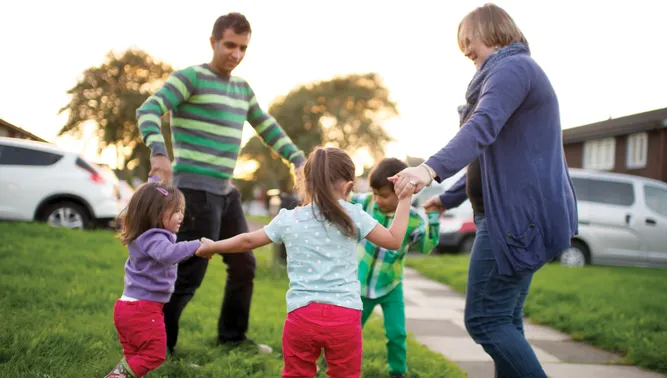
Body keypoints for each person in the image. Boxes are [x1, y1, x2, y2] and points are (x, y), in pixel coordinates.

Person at [390, 4, 578, 377]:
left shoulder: (513, 69)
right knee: (506, 321)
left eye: (468, 41)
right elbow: (489, 158)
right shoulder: (511, 70)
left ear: (492, 32)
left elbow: (481, 128)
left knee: (485, 321)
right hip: (517, 215)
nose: (465, 50)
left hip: (513, 219)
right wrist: (446, 199)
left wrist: (429, 169)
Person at [135, 12, 306, 355]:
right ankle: (158, 346)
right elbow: (149, 109)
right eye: (230, 45)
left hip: (226, 193)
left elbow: (268, 127)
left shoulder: (242, 89)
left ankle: (232, 337)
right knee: (188, 272)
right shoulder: (191, 78)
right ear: (213, 41)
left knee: (244, 264)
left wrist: (300, 160)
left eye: (243, 48)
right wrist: (158, 151)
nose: (236, 54)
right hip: (195, 191)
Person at [196, 147, 417, 378]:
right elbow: (393, 240)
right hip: (345, 317)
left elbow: (247, 241)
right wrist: (405, 199)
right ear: (348, 186)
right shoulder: (353, 215)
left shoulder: (288, 219)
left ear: (305, 182)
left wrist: (213, 245)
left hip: (302, 316)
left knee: (296, 374)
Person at [105, 182, 212, 378]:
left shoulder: (145, 236)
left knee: (135, 357)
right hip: (143, 310)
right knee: (153, 355)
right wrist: (197, 245)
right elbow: (168, 254)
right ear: (156, 212)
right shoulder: (155, 237)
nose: (181, 216)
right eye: (176, 211)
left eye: (182, 210)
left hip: (128, 308)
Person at [350, 158, 440, 378]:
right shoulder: (364, 204)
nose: (377, 199)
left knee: (397, 333)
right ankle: (339, 366)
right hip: (359, 287)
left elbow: (427, 246)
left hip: (391, 286)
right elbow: (339, 201)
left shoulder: (413, 220)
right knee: (349, 333)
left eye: (383, 195)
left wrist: (434, 218)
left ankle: (397, 372)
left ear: (400, 192)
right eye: (375, 193)